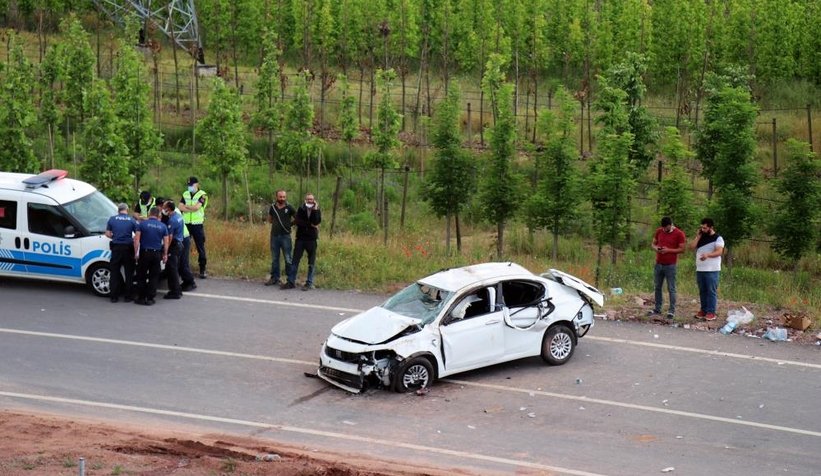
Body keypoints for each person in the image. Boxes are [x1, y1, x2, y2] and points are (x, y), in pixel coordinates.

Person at [648, 216, 686, 318]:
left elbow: (682, 249)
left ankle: (671, 310)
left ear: (670, 225)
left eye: (666, 228)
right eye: (663, 228)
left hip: (670, 265)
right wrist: (657, 248)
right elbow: (653, 244)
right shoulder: (659, 231)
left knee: (671, 288)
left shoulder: (679, 234)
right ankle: (657, 308)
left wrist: (668, 250)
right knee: (657, 287)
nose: (664, 229)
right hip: (659, 263)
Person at [689, 218, 724, 321]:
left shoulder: (718, 238)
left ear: (711, 227)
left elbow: (719, 252)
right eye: (701, 228)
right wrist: (698, 236)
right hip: (700, 269)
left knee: (711, 291)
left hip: (712, 269)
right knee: (702, 291)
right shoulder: (700, 237)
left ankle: (711, 312)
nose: (703, 229)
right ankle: (703, 310)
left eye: (705, 228)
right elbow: (691, 247)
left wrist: (708, 255)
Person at [134, 207, 169, 306]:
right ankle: (150, 298)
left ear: (149, 214)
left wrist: (136, 253)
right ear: (158, 215)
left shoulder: (142, 224)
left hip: (144, 253)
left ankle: (141, 298)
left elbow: (136, 240)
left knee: (141, 275)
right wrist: (165, 254)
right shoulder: (163, 226)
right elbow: (166, 242)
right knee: (154, 276)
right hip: (156, 254)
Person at [105, 203, 139, 303]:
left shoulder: (112, 219)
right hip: (128, 248)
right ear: (127, 210)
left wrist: (115, 237)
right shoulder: (132, 220)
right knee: (129, 273)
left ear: (118, 210)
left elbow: (107, 233)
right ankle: (128, 296)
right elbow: (137, 236)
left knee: (114, 272)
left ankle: (113, 296)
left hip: (116, 248)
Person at [287, 193, 322, 291]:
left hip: (311, 239)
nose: (310, 201)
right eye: (308, 199)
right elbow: (298, 222)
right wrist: (310, 225)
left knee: (311, 262)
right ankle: (291, 281)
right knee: (295, 260)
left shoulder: (317, 210)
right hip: (301, 239)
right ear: (305, 200)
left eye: (311, 199)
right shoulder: (301, 209)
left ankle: (309, 283)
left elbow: (316, 222)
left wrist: (315, 210)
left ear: (314, 200)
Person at [179, 176, 208, 279]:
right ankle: (183, 268)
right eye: (188, 185)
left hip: (197, 224)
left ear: (197, 184)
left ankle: (202, 269)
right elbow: (180, 207)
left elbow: (197, 207)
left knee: (200, 247)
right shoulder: (185, 194)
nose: (189, 187)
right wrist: (190, 208)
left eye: (191, 185)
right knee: (183, 246)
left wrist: (186, 207)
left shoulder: (203, 195)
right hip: (186, 224)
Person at [266, 189, 296, 287]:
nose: (282, 198)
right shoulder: (272, 207)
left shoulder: (289, 207)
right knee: (275, 258)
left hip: (285, 236)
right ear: (276, 197)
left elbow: (297, 218)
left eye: (284, 197)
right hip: (274, 236)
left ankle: (290, 280)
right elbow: (270, 219)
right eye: (280, 197)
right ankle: (275, 278)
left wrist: (290, 224)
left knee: (288, 258)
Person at [162, 200, 184, 299]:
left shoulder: (172, 220)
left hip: (174, 245)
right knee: (174, 268)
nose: (163, 209)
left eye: (164, 208)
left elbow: (170, 237)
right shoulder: (179, 216)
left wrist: (166, 250)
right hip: (179, 244)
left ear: (168, 209)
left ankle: (175, 292)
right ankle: (177, 290)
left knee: (172, 270)